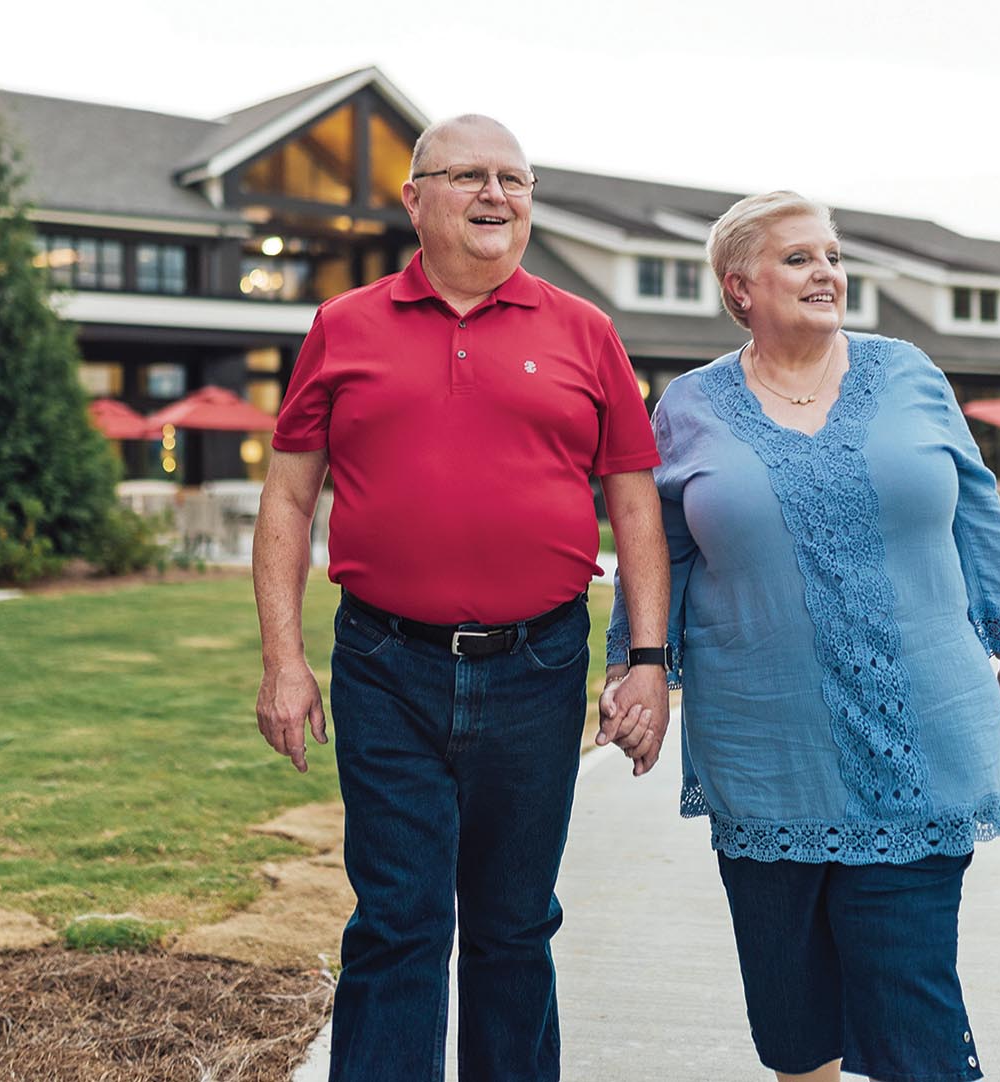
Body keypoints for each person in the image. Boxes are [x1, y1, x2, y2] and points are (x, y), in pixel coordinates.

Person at [251, 115, 672, 1082]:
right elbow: (288, 497)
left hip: (538, 667)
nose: (496, 195)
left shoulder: (585, 330)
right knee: (398, 922)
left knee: (514, 927)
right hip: (383, 666)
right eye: (470, 176)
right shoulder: (342, 326)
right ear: (415, 199)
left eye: (514, 180)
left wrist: (645, 660)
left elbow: (636, 507)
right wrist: (284, 661)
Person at [604, 191, 1000, 1082]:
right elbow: (660, 552)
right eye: (800, 258)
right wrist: (638, 665)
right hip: (766, 750)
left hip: (921, 737)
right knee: (796, 1024)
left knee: (911, 1013)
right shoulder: (689, 406)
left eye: (833, 256)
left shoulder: (910, 372)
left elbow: (980, 515)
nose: (828, 274)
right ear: (740, 288)